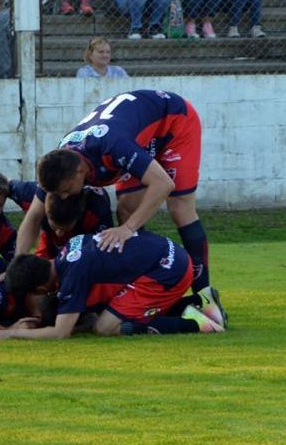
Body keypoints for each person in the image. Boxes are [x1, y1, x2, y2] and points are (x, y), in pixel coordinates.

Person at [17, 89, 227, 327]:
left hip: (174, 122)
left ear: (79, 172)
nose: (63, 197)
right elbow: (34, 216)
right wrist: (18, 264)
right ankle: (145, 289)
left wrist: (127, 229)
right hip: (138, 138)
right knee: (127, 209)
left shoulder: (112, 146)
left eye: (65, 190)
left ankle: (207, 299)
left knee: (180, 208)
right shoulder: (61, 161)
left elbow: (163, 184)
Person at [0, 231, 225, 341]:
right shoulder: (69, 248)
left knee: (105, 327)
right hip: (170, 254)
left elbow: (60, 333)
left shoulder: (71, 277)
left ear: (39, 290)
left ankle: (200, 324)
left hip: (168, 271)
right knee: (114, 311)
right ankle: (199, 302)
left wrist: (9, 333)